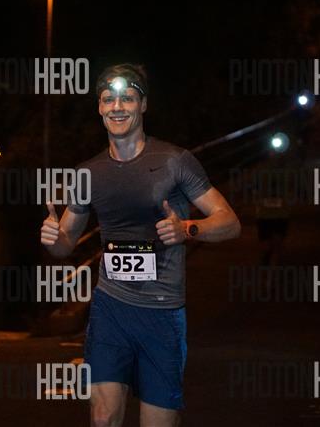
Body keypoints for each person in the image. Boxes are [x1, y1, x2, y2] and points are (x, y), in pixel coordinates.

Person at [40, 64, 240, 427]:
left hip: (162, 314)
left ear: (143, 105)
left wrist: (187, 228)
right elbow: (64, 245)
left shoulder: (174, 161)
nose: (117, 107)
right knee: (103, 417)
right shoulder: (88, 173)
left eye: (127, 99)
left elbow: (229, 221)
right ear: (99, 108)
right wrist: (55, 238)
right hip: (110, 309)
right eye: (108, 99)